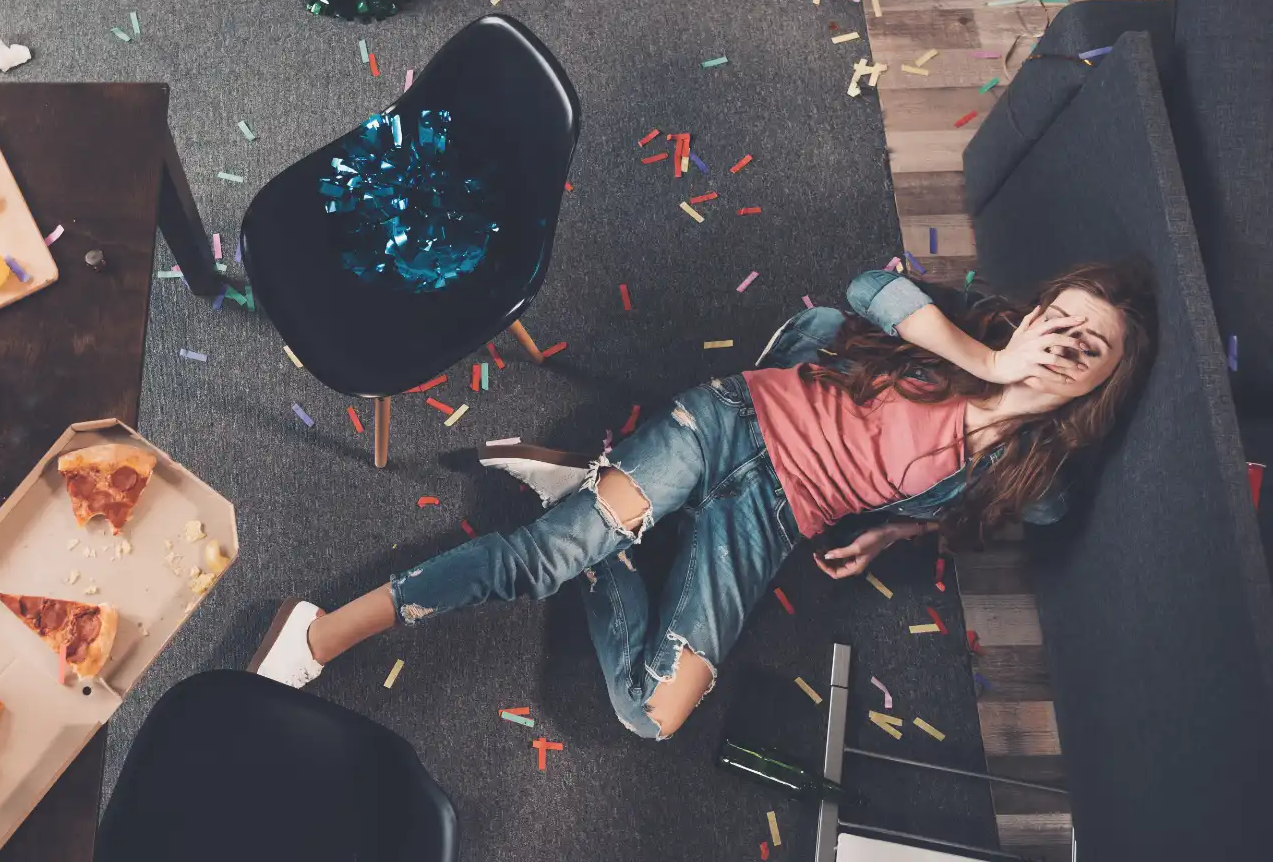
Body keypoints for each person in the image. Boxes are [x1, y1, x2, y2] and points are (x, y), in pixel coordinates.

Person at [250, 263, 1156, 739]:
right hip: (733, 424)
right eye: (1060, 319)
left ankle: (587, 496)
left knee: (653, 714)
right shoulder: (961, 337)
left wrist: (892, 530)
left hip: (775, 515)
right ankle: (318, 632)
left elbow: (1025, 511)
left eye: (1091, 347)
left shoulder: (1034, 473)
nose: (1065, 342)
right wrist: (990, 365)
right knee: (540, 559)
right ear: (1031, 315)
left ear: (1102, 385)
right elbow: (866, 290)